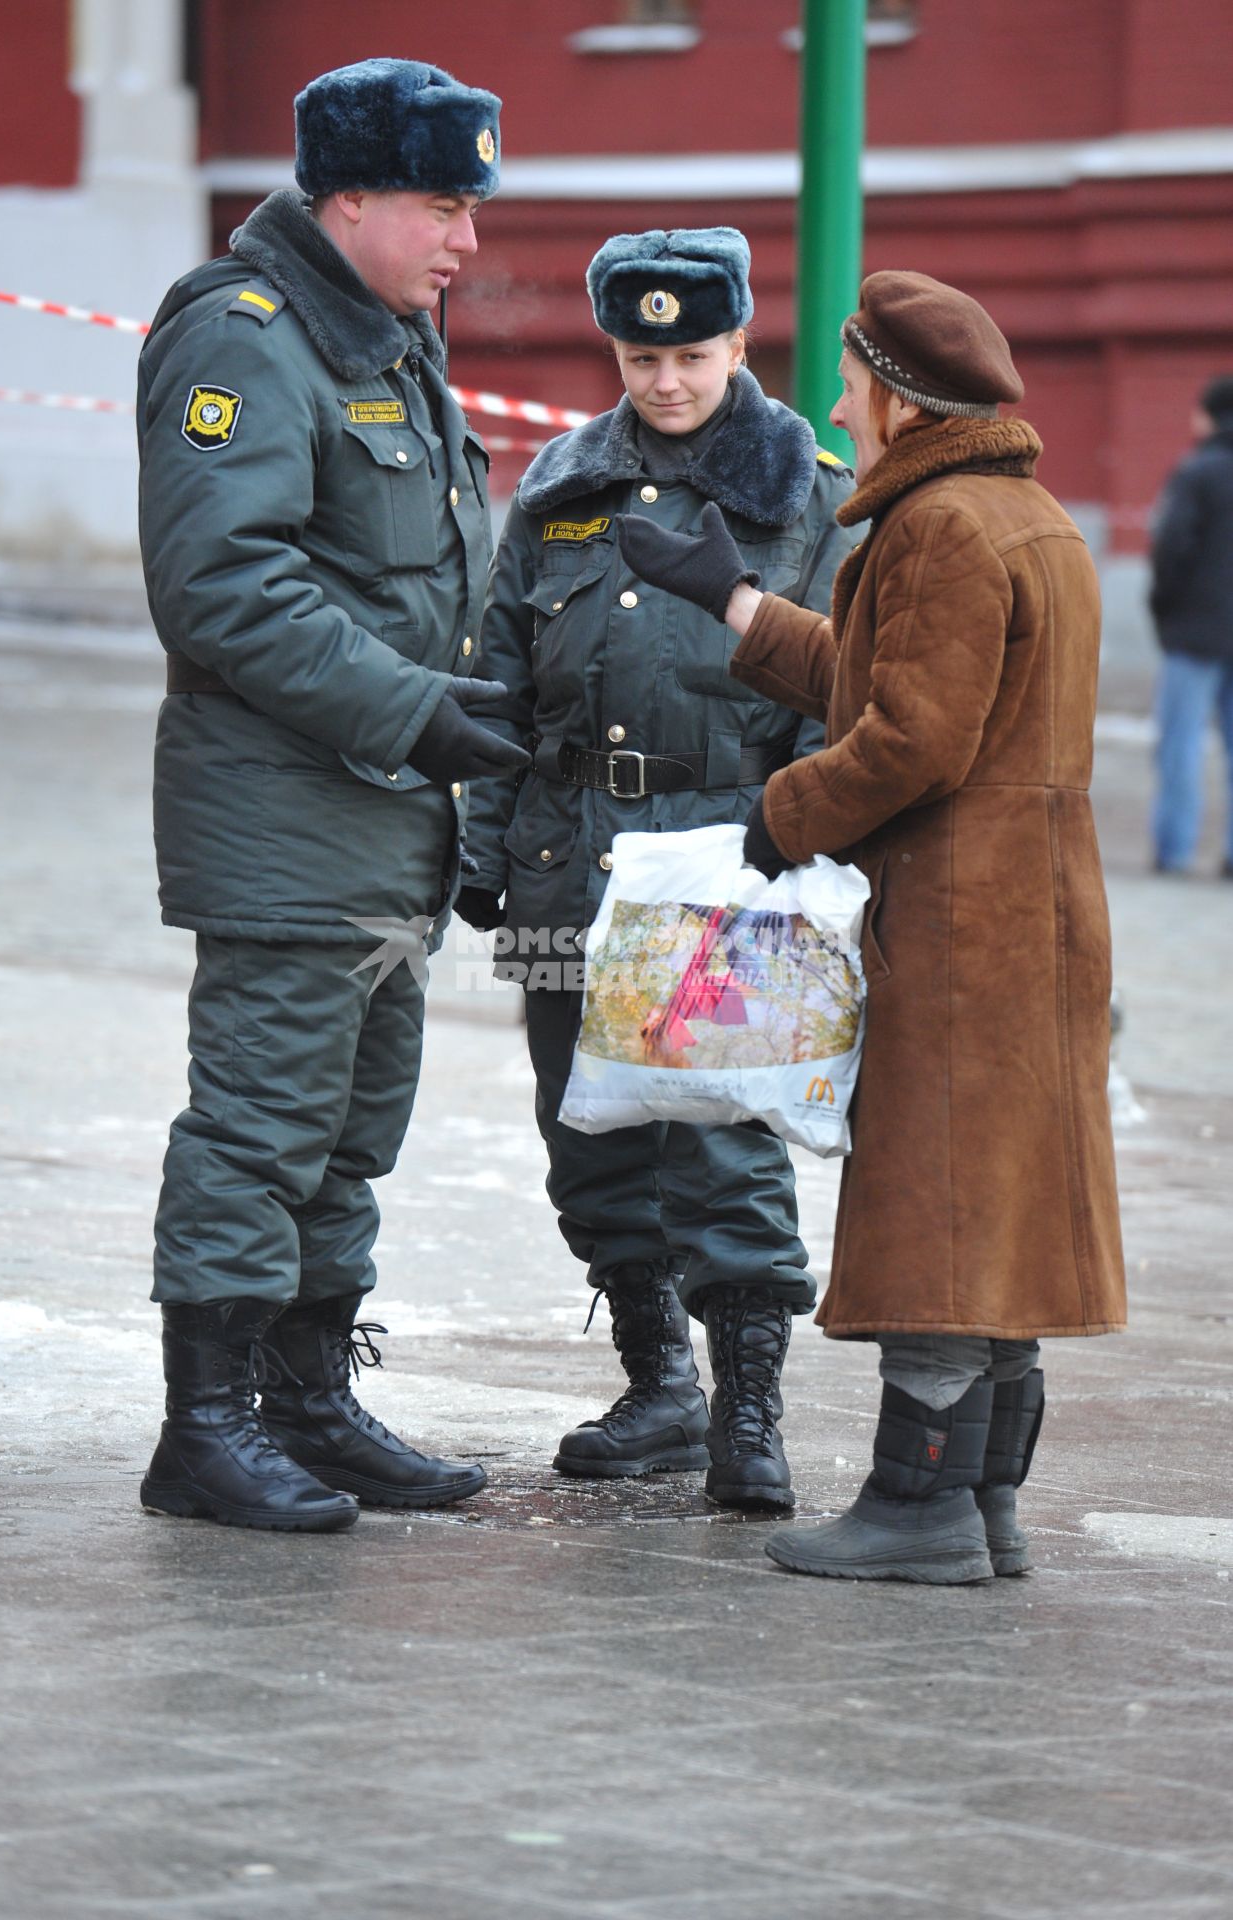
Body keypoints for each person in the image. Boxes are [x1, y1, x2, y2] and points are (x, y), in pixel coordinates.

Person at [618, 270, 1127, 1580]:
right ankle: (983, 1510)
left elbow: (909, 735)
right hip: (1031, 911)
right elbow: (891, 677)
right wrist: (735, 601)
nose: (837, 406)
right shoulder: (1025, 518)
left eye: (850, 384)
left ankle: (917, 1512)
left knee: (944, 1211)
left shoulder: (942, 527)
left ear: (897, 397)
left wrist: (776, 820)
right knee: (999, 1213)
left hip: (963, 921)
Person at [136, 58, 529, 1533]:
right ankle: (208, 1428)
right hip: (287, 817)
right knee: (258, 1129)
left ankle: (305, 1402)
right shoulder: (240, 340)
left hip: (386, 818)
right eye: (441, 205)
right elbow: (221, 588)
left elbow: (425, 585)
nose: (464, 241)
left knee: (349, 1137)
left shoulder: (381, 342)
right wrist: (416, 713)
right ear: (346, 197)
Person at [460, 228, 858, 1510]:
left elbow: (830, 691)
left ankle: (749, 1410)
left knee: (724, 1135)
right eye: (640, 356)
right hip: (561, 862)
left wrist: (793, 842)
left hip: (724, 859)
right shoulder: (560, 486)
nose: (666, 381)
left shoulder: (807, 496)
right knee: (584, 1134)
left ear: (741, 344)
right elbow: (499, 680)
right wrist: (476, 847)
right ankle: (658, 1389)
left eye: (689, 354)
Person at [1148, 374, 1233, 877]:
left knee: (1179, 745)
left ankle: (1175, 852)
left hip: (1194, 634)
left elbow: (1171, 549)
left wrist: (1164, 610)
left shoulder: (1198, 472)